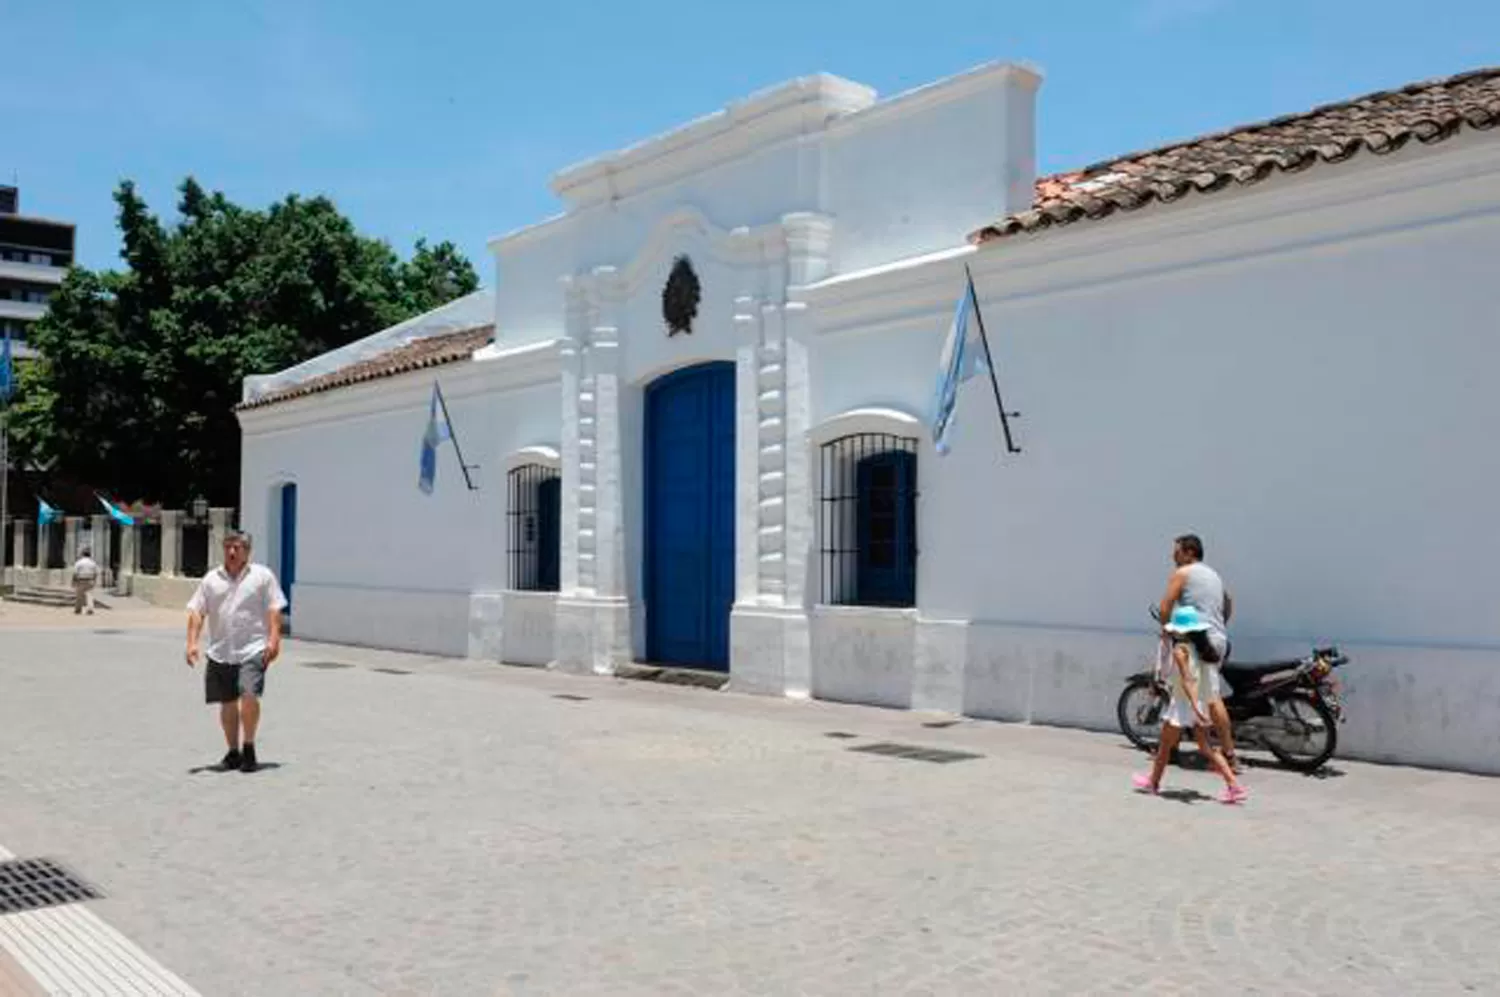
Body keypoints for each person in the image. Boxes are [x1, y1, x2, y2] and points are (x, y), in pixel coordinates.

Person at [185, 531, 287, 773]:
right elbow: (197, 611)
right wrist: (191, 643)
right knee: (228, 702)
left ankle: (249, 747)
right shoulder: (212, 579)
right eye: (228, 547)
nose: (232, 552)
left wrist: (274, 639)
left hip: (253, 648)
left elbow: (274, 609)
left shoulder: (262, 576)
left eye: (237, 547)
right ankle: (233, 752)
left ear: (247, 551)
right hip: (221, 650)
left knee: (249, 693)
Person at [1133, 606, 1247, 803]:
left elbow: (1187, 680)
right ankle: (1233, 785)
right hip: (1199, 704)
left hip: (1183, 705)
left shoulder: (1180, 650)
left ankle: (1152, 783)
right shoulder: (1202, 649)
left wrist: (1193, 704)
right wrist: (1200, 705)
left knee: (1165, 746)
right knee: (1206, 747)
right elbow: (1204, 681)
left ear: (1181, 630)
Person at [1158, 533, 1239, 772]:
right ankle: (1227, 754)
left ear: (1189, 552)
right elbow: (1229, 602)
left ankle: (1171, 750)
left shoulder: (1182, 573)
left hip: (1197, 640)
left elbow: (1165, 606)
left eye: (1177, 551)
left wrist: (1166, 630)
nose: (1173, 555)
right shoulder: (1213, 574)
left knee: (1202, 695)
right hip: (1218, 638)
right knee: (1207, 693)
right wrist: (1219, 625)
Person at [72, 547, 100, 615]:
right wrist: (94, 580)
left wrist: (74, 581)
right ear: (89, 555)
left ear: (82, 554)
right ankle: (90, 609)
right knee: (89, 595)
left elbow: (75, 572)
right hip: (90, 580)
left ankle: (78, 609)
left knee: (79, 595)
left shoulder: (79, 562)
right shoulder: (93, 563)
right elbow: (96, 572)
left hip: (80, 580)